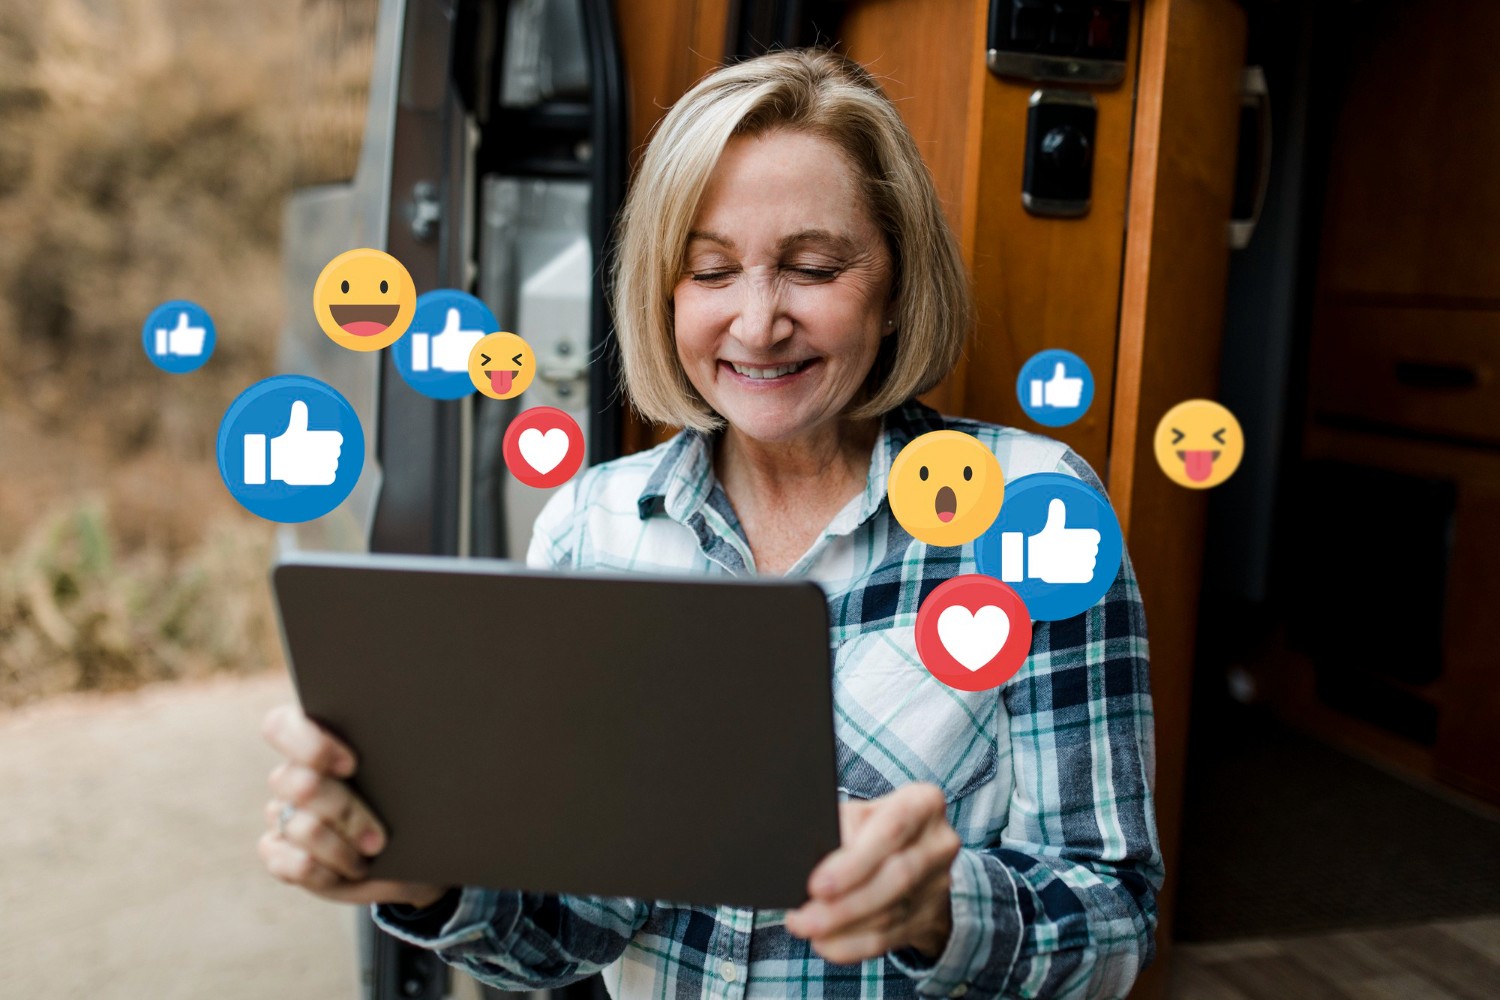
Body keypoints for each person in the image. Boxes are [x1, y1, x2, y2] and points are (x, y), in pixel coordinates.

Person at [258, 47, 1163, 999]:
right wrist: (432, 880)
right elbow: (572, 929)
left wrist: (942, 909)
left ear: (896, 284)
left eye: (812, 267)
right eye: (710, 271)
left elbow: (1114, 918)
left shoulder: (1036, 507)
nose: (758, 320)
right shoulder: (591, 525)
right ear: (665, 292)